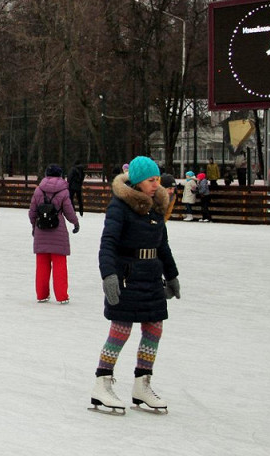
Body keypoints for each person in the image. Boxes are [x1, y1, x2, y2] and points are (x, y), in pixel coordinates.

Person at [89, 156, 180, 415]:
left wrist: (171, 275)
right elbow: (108, 243)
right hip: (127, 276)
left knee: (154, 329)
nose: (156, 184)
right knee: (120, 330)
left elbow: (162, 244)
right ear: (138, 181)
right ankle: (102, 384)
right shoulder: (120, 206)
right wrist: (108, 275)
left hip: (151, 277)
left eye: (157, 180)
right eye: (151, 180)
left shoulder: (155, 206)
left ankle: (142, 383)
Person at [29, 164, 79, 304]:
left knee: (42, 266)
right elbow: (69, 211)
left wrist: (34, 226)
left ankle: (42, 294)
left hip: (41, 230)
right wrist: (75, 222)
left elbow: (32, 212)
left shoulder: (38, 190)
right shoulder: (63, 191)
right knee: (60, 266)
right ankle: (62, 296)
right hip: (58, 232)